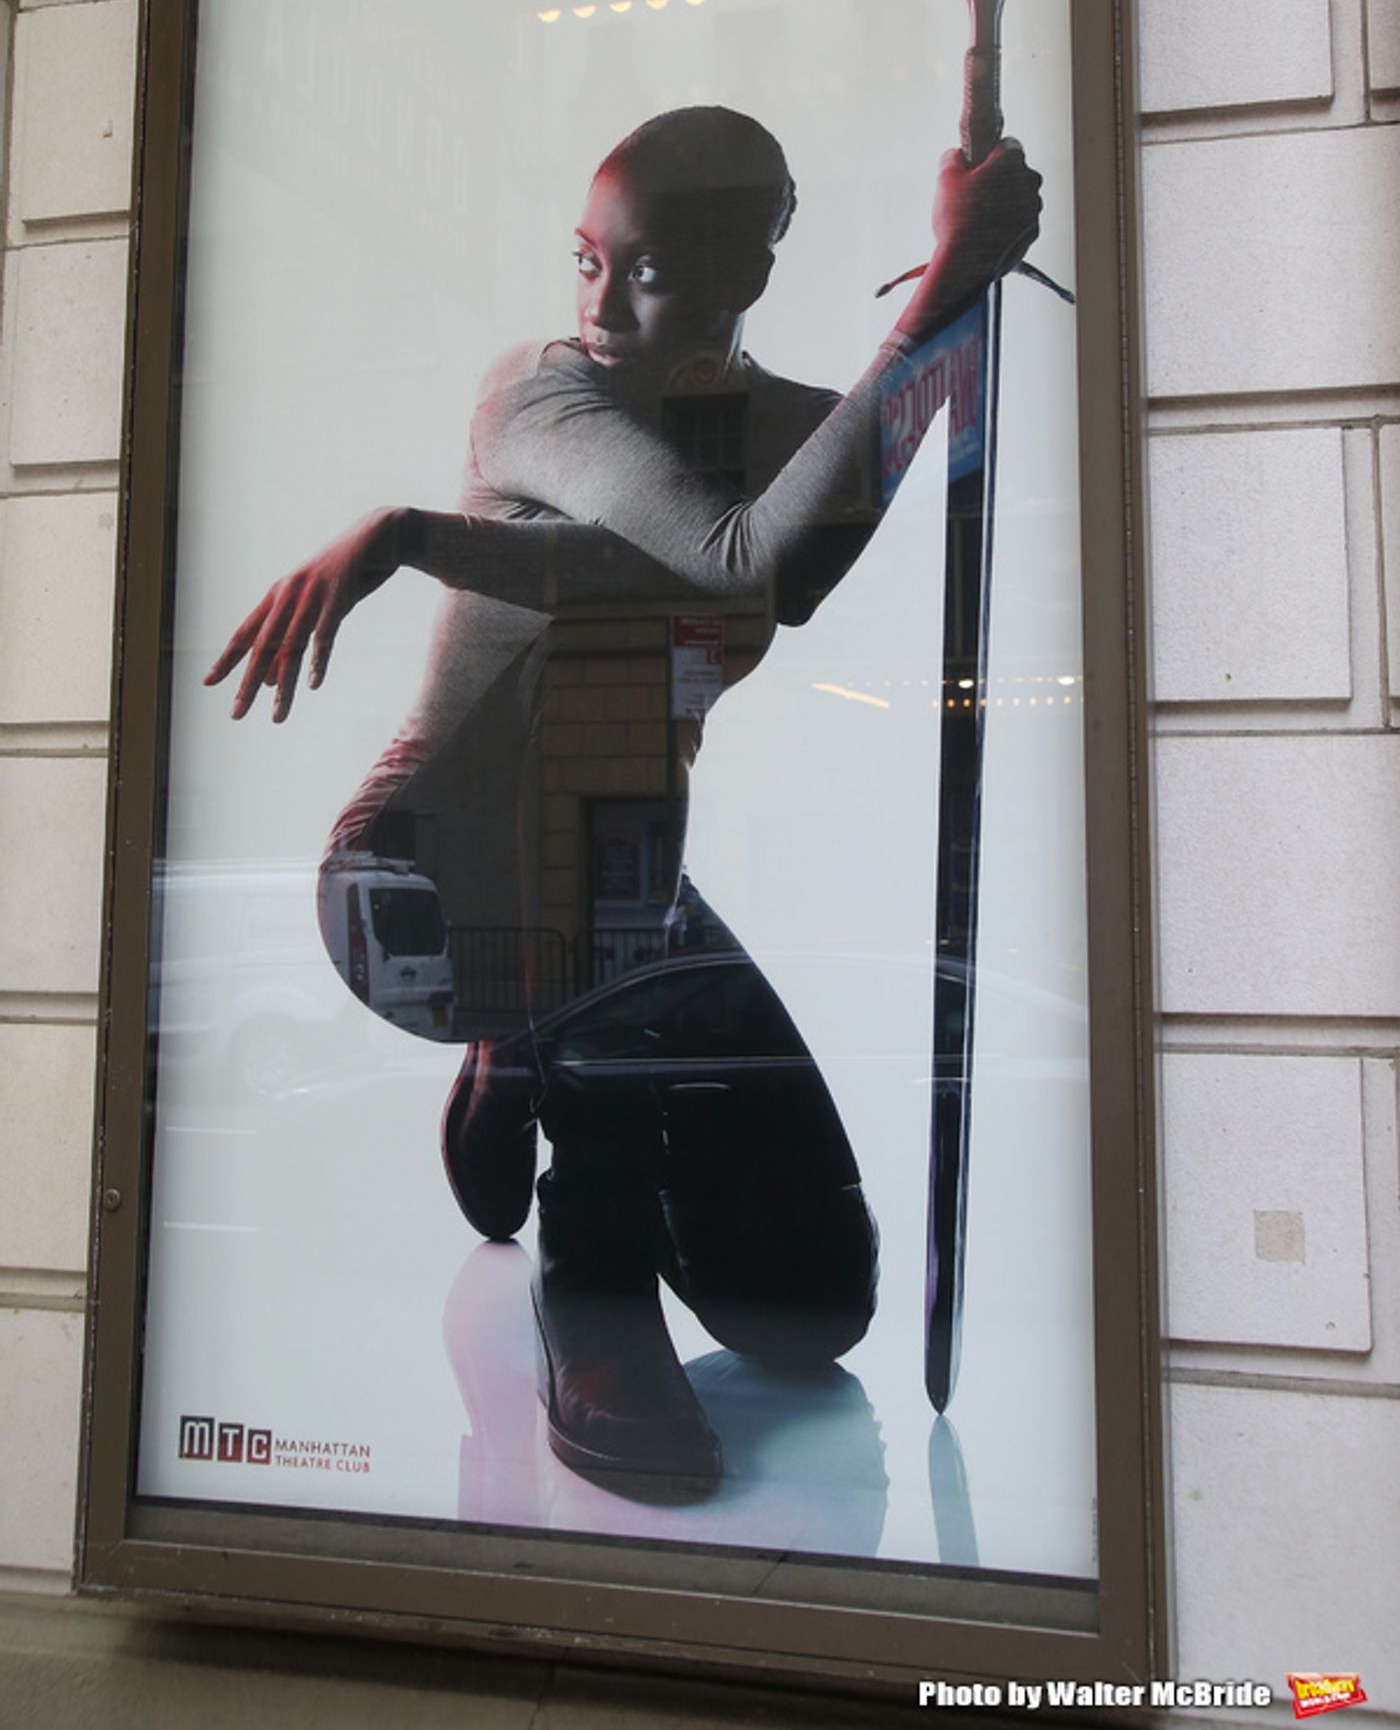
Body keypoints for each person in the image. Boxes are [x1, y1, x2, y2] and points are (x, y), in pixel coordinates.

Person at [208, 105, 1042, 1503]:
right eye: (585, 260)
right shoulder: (542, 396)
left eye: (644, 271)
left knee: (812, 1306)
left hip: (629, 882)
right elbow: (732, 565)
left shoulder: (785, 430)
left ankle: (518, 1058)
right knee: (600, 912)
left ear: (744, 281)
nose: (598, 301)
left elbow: (795, 573)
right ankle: (589, 1274)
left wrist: (951, 319)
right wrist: (946, 296)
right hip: (440, 869)